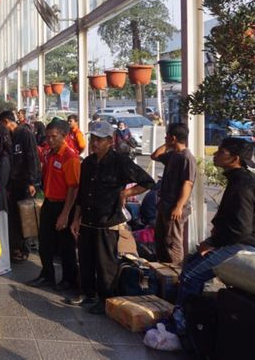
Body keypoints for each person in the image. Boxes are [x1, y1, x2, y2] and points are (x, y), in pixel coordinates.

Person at [69, 121, 154, 314]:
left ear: (110, 141)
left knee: (105, 263)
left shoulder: (120, 162)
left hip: (108, 221)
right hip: (87, 219)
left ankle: (106, 299)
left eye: (99, 140)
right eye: (93, 139)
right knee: (86, 259)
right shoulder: (89, 162)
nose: (95, 143)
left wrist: (126, 193)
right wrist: (76, 218)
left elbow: (147, 182)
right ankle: (88, 294)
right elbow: (82, 193)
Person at [171, 138, 255, 332]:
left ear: (234, 158)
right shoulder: (238, 179)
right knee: (190, 263)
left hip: (242, 243)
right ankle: (191, 316)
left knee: (191, 276)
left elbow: (240, 228)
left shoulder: (242, 186)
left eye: (221, 152)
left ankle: (181, 326)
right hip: (234, 240)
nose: (215, 155)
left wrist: (213, 244)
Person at [29, 120, 80, 291]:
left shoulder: (70, 157)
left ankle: (69, 279)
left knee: (66, 246)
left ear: (64, 136)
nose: (49, 140)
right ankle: (47, 275)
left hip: (64, 206)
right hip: (49, 203)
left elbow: (73, 188)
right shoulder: (51, 154)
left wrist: (65, 214)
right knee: (45, 243)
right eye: (48, 136)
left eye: (54, 137)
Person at [150, 123, 196, 264]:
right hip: (164, 204)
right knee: (161, 239)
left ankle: (175, 274)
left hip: (174, 207)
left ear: (173, 137)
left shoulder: (187, 158)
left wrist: (179, 206)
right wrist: (168, 145)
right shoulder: (173, 155)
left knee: (172, 242)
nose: (165, 137)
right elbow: (155, 155)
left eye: (167, 135)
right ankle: (162, 271)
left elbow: (187, 183)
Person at [2, 110, 40, 261]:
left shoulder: (25, 133)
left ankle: (23, 249)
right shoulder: (9, 137)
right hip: (14, 183)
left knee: (24, 217)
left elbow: (32, 156)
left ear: (6, 122)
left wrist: (32, 181)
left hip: (25, 183)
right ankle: (16, 247)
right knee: (15, 217)